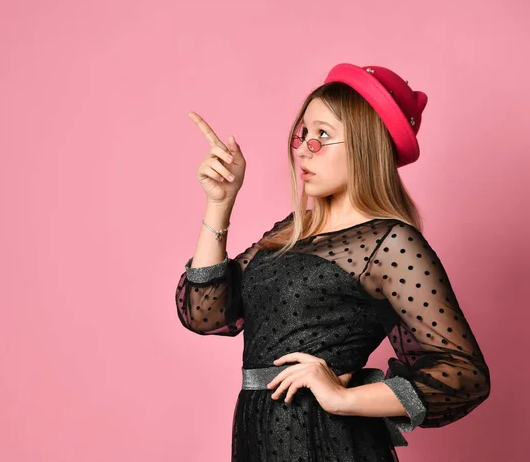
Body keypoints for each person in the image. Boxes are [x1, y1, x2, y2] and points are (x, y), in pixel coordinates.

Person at [175, 63, 491, 462]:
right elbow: (205, 313)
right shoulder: (293, 230)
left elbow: (464, 375)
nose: (306, 148)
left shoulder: (388, 242)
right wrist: (219, 203)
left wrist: (343, 399)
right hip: (259, 435)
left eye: (322, 135)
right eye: (302, 134)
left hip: (323, 440)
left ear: (365, 145)